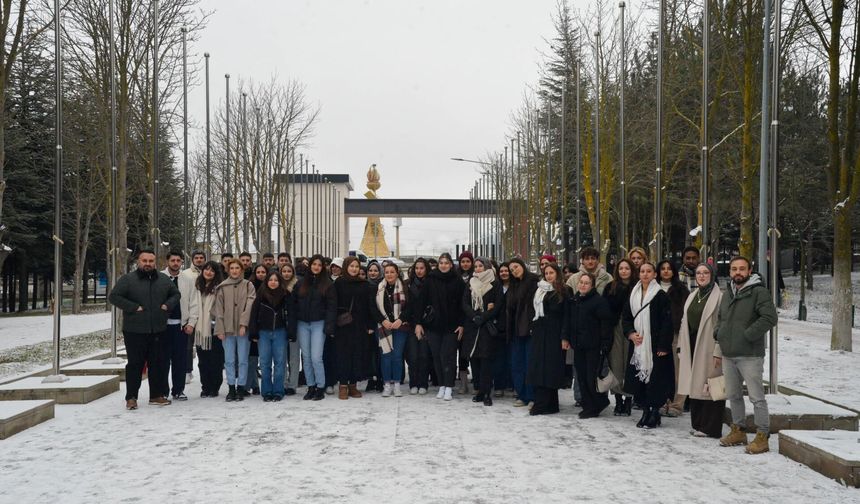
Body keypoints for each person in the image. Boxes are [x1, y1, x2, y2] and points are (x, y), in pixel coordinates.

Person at [715, 256, 777, 454]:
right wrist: (719, 333)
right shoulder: (728, 292)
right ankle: (739, 430)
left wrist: (748, 335)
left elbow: (769, 317)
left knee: (756, 397)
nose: (737, 272)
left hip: (750, 354)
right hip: (729, 353)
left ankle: (762, 436)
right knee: (733, 395)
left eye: (742, 269)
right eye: (734, 269)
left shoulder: (759, 292)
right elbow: (721, 317)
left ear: (750, 271)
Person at [109, 248, 181, 410]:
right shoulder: (128, 279)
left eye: (151, 261)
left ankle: (156, 395)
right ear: (138, 262)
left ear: (155, 263)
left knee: (157, 364)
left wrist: (167, 305)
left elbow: (176, 294)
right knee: (135, 364)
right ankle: (131, 397)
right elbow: (114, 296)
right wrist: (133, 307)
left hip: (158, 330)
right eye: (144, 261)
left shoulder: (163, 279)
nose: (148, 264)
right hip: (134, 330)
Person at [623, 262, 674, 429]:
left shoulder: (660, 295)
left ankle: (654, 412)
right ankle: (645, 410)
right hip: (638, 344)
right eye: (642, 271)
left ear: (654, 274)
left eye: (649, 271)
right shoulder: (633, 294)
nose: (645, 274)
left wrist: (663, 346)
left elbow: (667, 322)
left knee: (655, 380)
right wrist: (631, 333)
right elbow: (626, 317)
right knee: (640, 379)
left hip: (655, 346)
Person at [677, 263, 725, 438]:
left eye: (705, 273)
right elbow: (684, 321)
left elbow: (723, 325)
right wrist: (680, 345)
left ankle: (710, 428)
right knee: (695, 383)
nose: (702, 276)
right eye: (699, 273)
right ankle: (697, 424)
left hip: (709, 345)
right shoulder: (693, 296)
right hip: (691, 343)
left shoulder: (719, 297)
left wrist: (718, 350)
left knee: (710, 385)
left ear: (712, 275)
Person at [415, 253, 465, 401]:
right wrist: (418, 323)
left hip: (452, 326)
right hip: (433, 326)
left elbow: (464, 304)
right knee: (436, 356)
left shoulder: (458, 281)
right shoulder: (430, 280)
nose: (443, 265)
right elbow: (421, 303)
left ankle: (449, 386)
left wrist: (462, 324)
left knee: (448, 356)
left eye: (446, 263)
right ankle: (442, 385)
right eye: (441, 263)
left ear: (451, 265)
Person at [564, 272, 614, 418]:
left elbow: (606, 324)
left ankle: (595, 404)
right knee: (580, 376)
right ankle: (589, 403)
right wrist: (567, 338)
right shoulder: (575, 300)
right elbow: (569, 321)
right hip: (578, 345)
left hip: (593, 345)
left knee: (590, 376)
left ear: (592, 285)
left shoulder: (599, 301)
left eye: (586, 283)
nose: (583, 285)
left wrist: (605, 344)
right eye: (581, 282)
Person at [526, 263, 569, 416]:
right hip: (539, 332)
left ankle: (546, 403)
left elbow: (566, 315)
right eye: (546, 273)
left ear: (557, 273)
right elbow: (534, 310)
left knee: (550, 368)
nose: (549, 276)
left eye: (552, 273)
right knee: (538, 366)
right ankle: (546, 402)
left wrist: (565, 336)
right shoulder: (540, 289)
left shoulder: (563, 290)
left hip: (554, 333)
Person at [294, 254, 337, 401]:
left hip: (319, 323)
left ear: (323, 267)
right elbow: (293, 304)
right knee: (306, 357)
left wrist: (329, 326)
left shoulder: (328, 284)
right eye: (314, 264)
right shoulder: (300, 283)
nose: (316, 267)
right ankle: (310, 386)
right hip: (302, 323)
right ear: (310, 265)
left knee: (316, 357)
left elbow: (332, 307)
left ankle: (320, 386)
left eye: (319, 265)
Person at [213, 258, 257, 402]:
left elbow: (250, 304)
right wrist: (220, 328)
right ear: (228, 270)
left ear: (241, 270)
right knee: (229, 360)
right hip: (227, 329)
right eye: (231, 268)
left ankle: (241, 387)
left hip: (243, 328)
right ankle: (231, 387)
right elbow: (218, 309)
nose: (234, 271)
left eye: (237, 268)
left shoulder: (248, 285)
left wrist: (244, 324)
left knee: (243, 359)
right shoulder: (222, 287)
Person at [461, 257, 503, 406]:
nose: (478, 268)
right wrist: (474, 316)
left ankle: (486, 392)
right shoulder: (471, 283)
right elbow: (465, 303)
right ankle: (478, 389)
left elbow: (498, 304)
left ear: (487, 267)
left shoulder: (495, 283)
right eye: (476, 266)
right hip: (473, 326)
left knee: (486, 360)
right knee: (475, 359)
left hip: (486, 326)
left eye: (481, 266)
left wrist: (483, 316)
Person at [249, 270, 295, 402]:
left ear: (280, 282)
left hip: (280, 332)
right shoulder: (260, 295)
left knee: (280, 363)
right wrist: (253, 332)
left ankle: (278, 391)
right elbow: (253, 315)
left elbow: (291, 314)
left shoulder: (286, 296)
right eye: (270, 280)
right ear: (266, 282)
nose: (273, 282)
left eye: (276, 280)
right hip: (263, 332)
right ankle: (267, 391)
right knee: (264, 363)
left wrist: (291, 331)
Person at [334, 257, 376, 399]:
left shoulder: (364, 284)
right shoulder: (339, 283)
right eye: (351, 266)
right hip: (343, 325)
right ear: (346, 267)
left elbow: (370, 306)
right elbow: (333, 304)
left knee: (357, 355)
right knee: (343, 355)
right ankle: (343, 385)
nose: (354, 269)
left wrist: (370, 324)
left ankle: (353, 385)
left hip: (359, 325)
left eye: (356, 266)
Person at [657, 259, 691, 417]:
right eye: (662, 268)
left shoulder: (681, 290)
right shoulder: (652, 287)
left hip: (677, 333)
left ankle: (677, 404)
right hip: (657, 334)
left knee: (678, 370)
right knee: (661, 371)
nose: (665, 271)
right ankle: (663, 401)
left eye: (669, 269)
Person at [186, 261, 224, 397]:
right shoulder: (196, 286)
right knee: (203, 361)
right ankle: (205, 387)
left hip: (214, 329)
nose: (209, 272)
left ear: (216, 273)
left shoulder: (219, 288)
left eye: (212, 270)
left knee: (216, 360)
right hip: (200, 330)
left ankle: (215, 387)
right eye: (206, 269)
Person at [603, 258, 636, 416]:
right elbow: (605, 308)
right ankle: (618, 400)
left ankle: (629, 399)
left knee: (629, 363)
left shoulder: (637, 286)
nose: (624, 271)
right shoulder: (611, 287)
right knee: (615, 363)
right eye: (621, 268)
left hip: (633, 328)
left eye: (627, 268)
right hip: (615, 328)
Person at [506, 258, 539, 408]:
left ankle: (532, 396)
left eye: (516, 267)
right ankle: (522, 394)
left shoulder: (533, 281)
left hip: (530, 328)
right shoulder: (513, 285)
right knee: (517, 364)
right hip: (516, 330)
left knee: (530, 363)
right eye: (511, 270)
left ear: (523, 266)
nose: (514, 271)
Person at [374, 262, 411, 397]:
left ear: (397, 273)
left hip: (400, 326)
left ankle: (396, 384)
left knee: (397, 356)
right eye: (387, 272)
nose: (389, 274)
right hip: (384, 327)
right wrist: (382, 320)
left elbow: (410, 306)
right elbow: (373, 308)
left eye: (392, 272)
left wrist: (400, 319)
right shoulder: (378, 288)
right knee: (386, 356)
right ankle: (387, 385)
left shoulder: (405, 287)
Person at [160, 250, 188, 401]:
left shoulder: (187, 278)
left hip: (181, 326)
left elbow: (193, 301)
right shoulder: (159, 277)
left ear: (182, 262)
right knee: (163, 360)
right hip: (162, 326)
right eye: (173, 260)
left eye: (178, 260)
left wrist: (190, 322)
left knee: (180, 360)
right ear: (167, 262)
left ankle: (178, 390)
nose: (176, 263)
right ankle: (163, 390)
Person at [405, 258, 432, 395]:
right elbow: (408, 307)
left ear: (426, 269)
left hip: (427, 324)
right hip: (411, 325)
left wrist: (421, 323)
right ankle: (413, 383)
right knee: (413, 356)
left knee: (424, 355)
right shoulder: (408, 285)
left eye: (422, 268)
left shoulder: (431, 283)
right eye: (417, 268)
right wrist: (415, 324)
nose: (419, 271)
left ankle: (423, 384)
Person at [180, 250, 206, 385]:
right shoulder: (185, 274)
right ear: (192, 259)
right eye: (197, 257)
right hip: (191, 313)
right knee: (187, 345)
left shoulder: (209, 273)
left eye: (202, 258)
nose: (199, 260)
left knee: (203, 345)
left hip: (206, 315)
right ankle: (187, 370)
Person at [246, 264, 270, 395]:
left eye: (263, 272)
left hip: (267, 326)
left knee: (265, 358)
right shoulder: (249, 286)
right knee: (252, 357)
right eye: (258, 272)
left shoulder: (272, 285)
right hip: (253, 324)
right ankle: (253, 384)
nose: (261, 274)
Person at [279, 262, 300, 396]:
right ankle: (282, 383)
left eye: (289, 271)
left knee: (293, 356)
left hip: (295, 324)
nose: (286, 273)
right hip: (280, 325)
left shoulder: (298, 286)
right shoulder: (275, 285)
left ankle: (292, 384)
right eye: (284, 271)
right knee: (281, 357)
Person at [492, 262, 512, 398]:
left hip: (513, 327)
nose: (504, 273)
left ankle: (512, 384)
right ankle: (499, 385)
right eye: (502, 271)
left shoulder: (516, 287)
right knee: (499, 358)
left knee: (512, 358)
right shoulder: (495, 287)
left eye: (506, 271)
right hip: (498, 327)